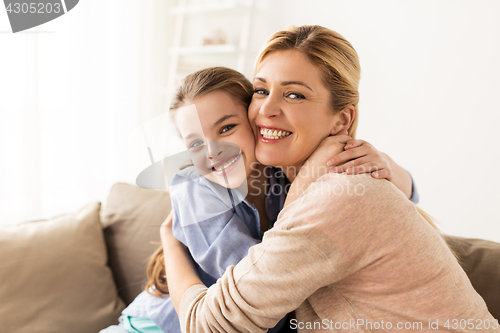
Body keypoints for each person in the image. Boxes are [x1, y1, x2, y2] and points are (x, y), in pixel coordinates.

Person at [160, 25, 496, 332]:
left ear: (341, 120)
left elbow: (210, 325)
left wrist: (171, 245)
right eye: (261, 91)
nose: (266, 110)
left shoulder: (339, 196)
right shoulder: (308, 181)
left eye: (295, 95)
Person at [100, 63, 419, 332]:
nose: (213, 152)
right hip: (157, 326)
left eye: (226, 128)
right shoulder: (193, 187)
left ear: (255, 122)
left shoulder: (282, 169)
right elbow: (257, 290)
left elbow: (401, 202)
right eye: (195, 144)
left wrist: (386, 164)